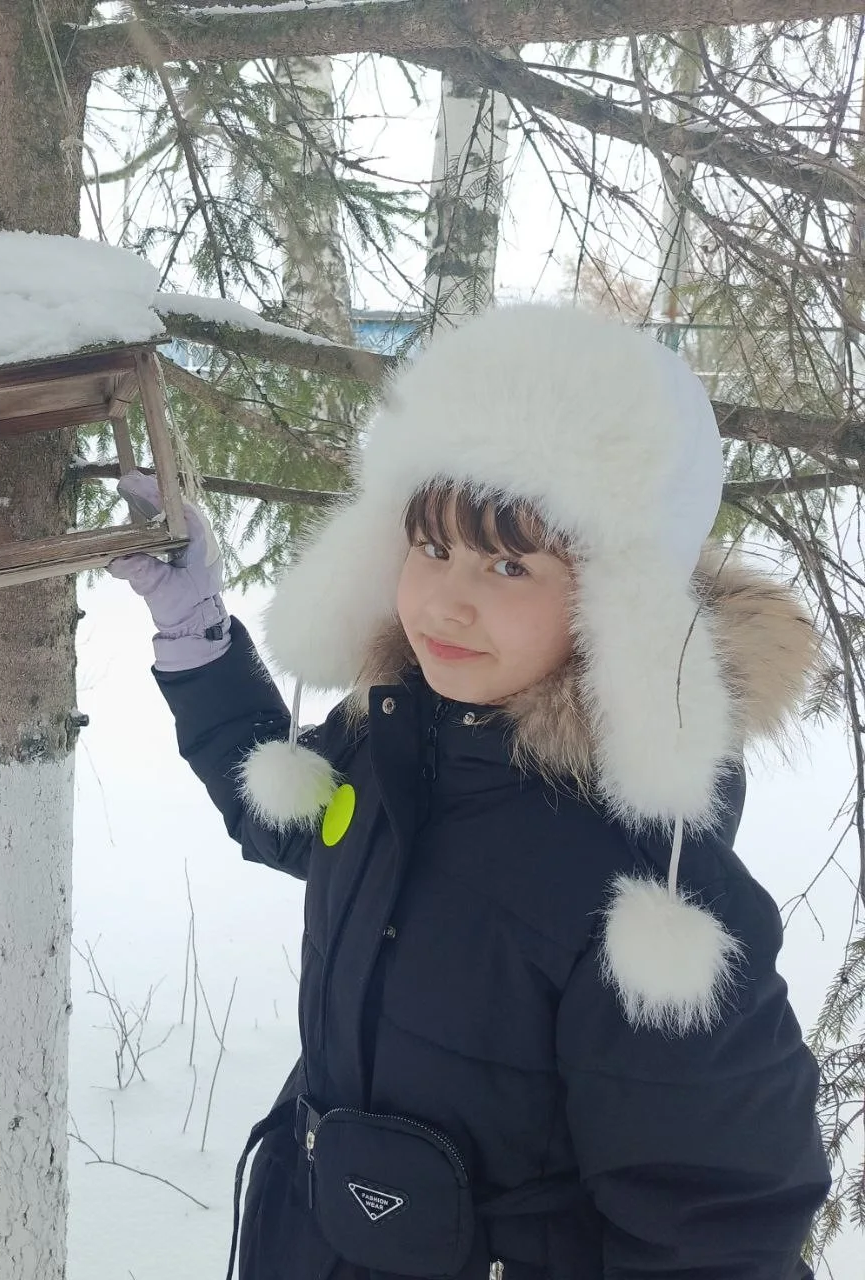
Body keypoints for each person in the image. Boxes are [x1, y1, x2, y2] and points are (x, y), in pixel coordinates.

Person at [107, 304, 830, 1280]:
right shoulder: (391, 742)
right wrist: (193, 630)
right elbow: (277, 809)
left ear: (614, 598)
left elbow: (715, 1229)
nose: (446, 598)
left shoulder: (649, 898)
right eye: (430, 545)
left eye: (506, 561)